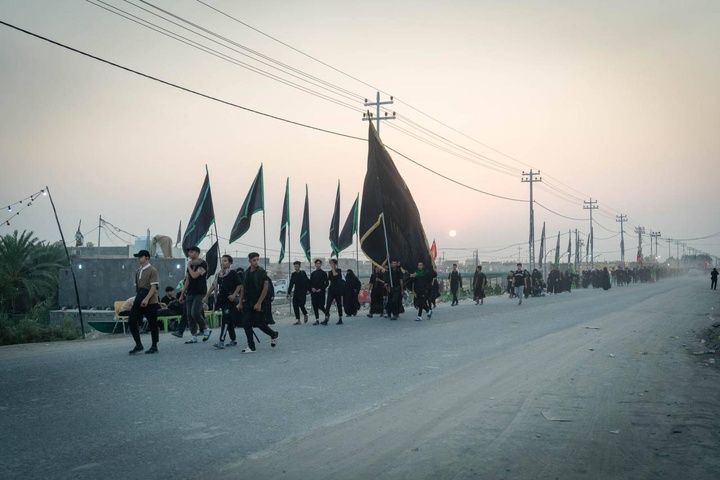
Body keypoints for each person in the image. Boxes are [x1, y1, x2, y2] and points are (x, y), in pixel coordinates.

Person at [237, 252, 278, 353]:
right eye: (254, 260)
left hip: (259, 301)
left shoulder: (261, 272)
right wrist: (240, 302)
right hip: (248, 302)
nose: (256, 262)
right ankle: (251, 346)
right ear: (249, 261)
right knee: (246, 324)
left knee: (260, 323)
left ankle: (273, 334)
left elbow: (265, 288)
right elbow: (243, 288)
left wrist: (259, 303)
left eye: (257, 260)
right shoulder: (246, 273)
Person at [174, 246, 212, 343]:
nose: (189, 254)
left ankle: (206, 328)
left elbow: (195, 275)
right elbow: (188, 280)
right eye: (189, 252)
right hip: (190, 292)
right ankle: (193, 336)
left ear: (197, 253)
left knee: (195, 312)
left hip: (200, 292)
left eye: (191, 252)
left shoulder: (203, 264)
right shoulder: (190, 264)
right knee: (189, 315)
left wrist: (188, 267)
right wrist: (182, 294)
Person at [205, 255, 242, 349]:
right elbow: (213, 286)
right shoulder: (219, 274)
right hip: (223, 300)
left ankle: (221, 341)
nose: (223, 262)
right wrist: (206, 296)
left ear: (230, 263)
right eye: (222, 260)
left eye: (225, 261)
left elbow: (239, 285)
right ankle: (233, 339)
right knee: (228, 321)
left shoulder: (233, 273)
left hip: (230, 301)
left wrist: (234, 295)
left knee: (225, 320)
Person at [127, 249, 160, 355]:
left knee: (153, 323)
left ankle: (154, 345)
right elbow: (138, 288)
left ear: (146, 258)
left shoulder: (152, 270)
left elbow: (154, 287)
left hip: (151, 301)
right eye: (138, 257)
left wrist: (147, 299)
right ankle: (138, 344)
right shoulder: (138, 271)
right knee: (131, 320)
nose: (138, 259)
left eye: (140, 257)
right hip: (140, 298)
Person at [323, 258, 344, 325]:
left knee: (339, 305)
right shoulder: (329, 272)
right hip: (331, 290)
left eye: (332, 263)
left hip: (338, 290)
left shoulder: (338, 270)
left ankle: (340, 318)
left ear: (335, 264)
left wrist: (333, 267)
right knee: (328, 304)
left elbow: (335, 274)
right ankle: (326, 318)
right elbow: (329, 280)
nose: (330, 264)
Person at [309, 259, 329, 325]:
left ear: (321, 264)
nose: (317, 265)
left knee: (321, 306)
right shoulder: (313, 274)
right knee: (315, 306)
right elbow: (310, 283)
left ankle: (327, 315)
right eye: (316, 263)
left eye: (319, 263)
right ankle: (317, 320)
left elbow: (327, 283)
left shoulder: (323, 273)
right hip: (314, 293)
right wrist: (312, 288)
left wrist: (321, 289)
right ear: (315, 265)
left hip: (321, 293)